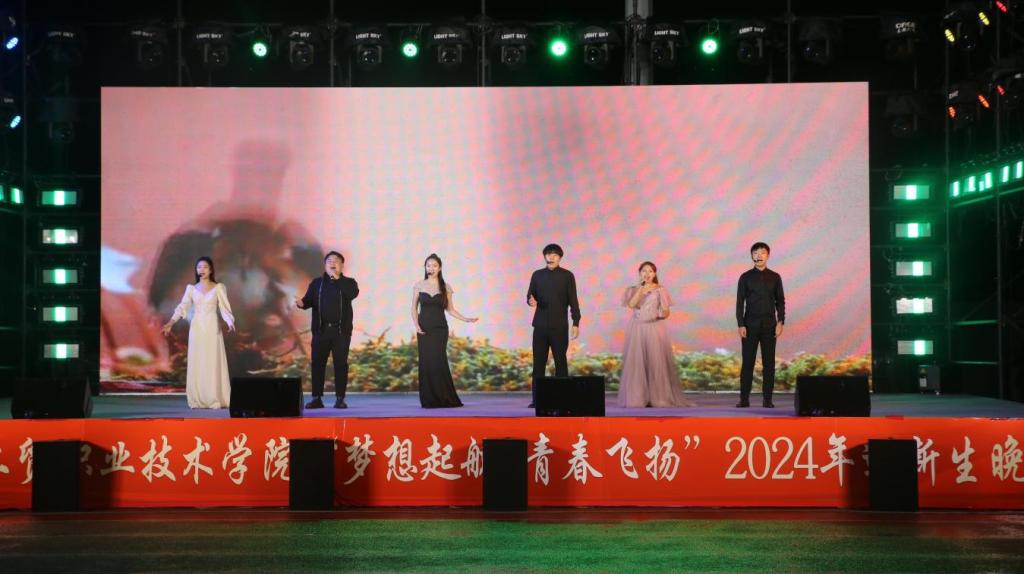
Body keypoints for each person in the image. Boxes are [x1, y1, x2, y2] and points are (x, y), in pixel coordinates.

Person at [162, 256, 236, 409]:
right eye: (199, 267)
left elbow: (224, 308)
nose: (201, 270)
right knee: (198, 361)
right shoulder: (191, 289)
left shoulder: (219, 287)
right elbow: (182, 307)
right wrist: (170, 323)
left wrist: (229, 321)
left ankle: (214, 397)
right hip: (197, 328)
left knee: (212, 361)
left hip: (212, 327)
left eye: (205, 267)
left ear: (211, 270)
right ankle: (198, 398)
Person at [618, 262, 692, 408]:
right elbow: (632, 305)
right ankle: (638, 397)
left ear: (655, 274)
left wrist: (660, 314)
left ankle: (658, 397)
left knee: (655, 363)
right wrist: (641, 288)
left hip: (654, 327)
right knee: (637, 364)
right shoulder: (633, 289)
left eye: (650, 271)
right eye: (644, 271)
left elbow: (666, 311)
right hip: (637, 329)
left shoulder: (660, 290)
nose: (647, 274)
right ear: (639, 273)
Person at [294, 251, 359, 409]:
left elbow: (352, 294)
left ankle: (340, 398)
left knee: (341, 364)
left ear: (341, 265)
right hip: (321, 331)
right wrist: (301, 303)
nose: (332, 263)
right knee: (318, 364)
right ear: (325, 265)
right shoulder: (317, 283)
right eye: (329, 260)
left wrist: (337, 279)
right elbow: (308, 301)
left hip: (340, 332)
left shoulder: (349, 282)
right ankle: (316, 398)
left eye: (336, 261)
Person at [412, 254, 478, 408]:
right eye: (428, 265)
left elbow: (450, 309)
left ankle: (443, 397)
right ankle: (429, 399)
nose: (431, 268)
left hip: (440, 329)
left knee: (438, 360)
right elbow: (413, 308)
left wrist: (466, 319)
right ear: (425, 267)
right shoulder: (419, 285)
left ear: (440, 268)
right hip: (424, 329)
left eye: (434, 265)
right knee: (426, 361)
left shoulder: (445, 287)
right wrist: (416, 325)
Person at [526, 243, 581, 408]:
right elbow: (530, 295)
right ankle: (537, 399)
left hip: (559, 326)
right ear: (544, 256)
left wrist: (576, 322)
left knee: (560, 362)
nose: (551, 257)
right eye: (548, 254)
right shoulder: (537, 275)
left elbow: (573, 301)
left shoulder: (567, 276)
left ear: (560, 257)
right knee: (538, 363)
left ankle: (562, 399)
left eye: (555, 254)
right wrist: (530, 300)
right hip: (540, 326)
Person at [735, 242, 786, 408]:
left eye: (762, 253)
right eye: (755, 253)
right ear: (752, 256)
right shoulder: (745, 277)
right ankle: (744, 399)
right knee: (748, 363)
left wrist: (780, 321)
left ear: (768, 255)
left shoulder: (775, 277)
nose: (759, 256)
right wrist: (741, 324)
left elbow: (780, 301)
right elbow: (739, 303)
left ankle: (767, 400)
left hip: (770, 326)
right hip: (749, 325)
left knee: (769, 364)